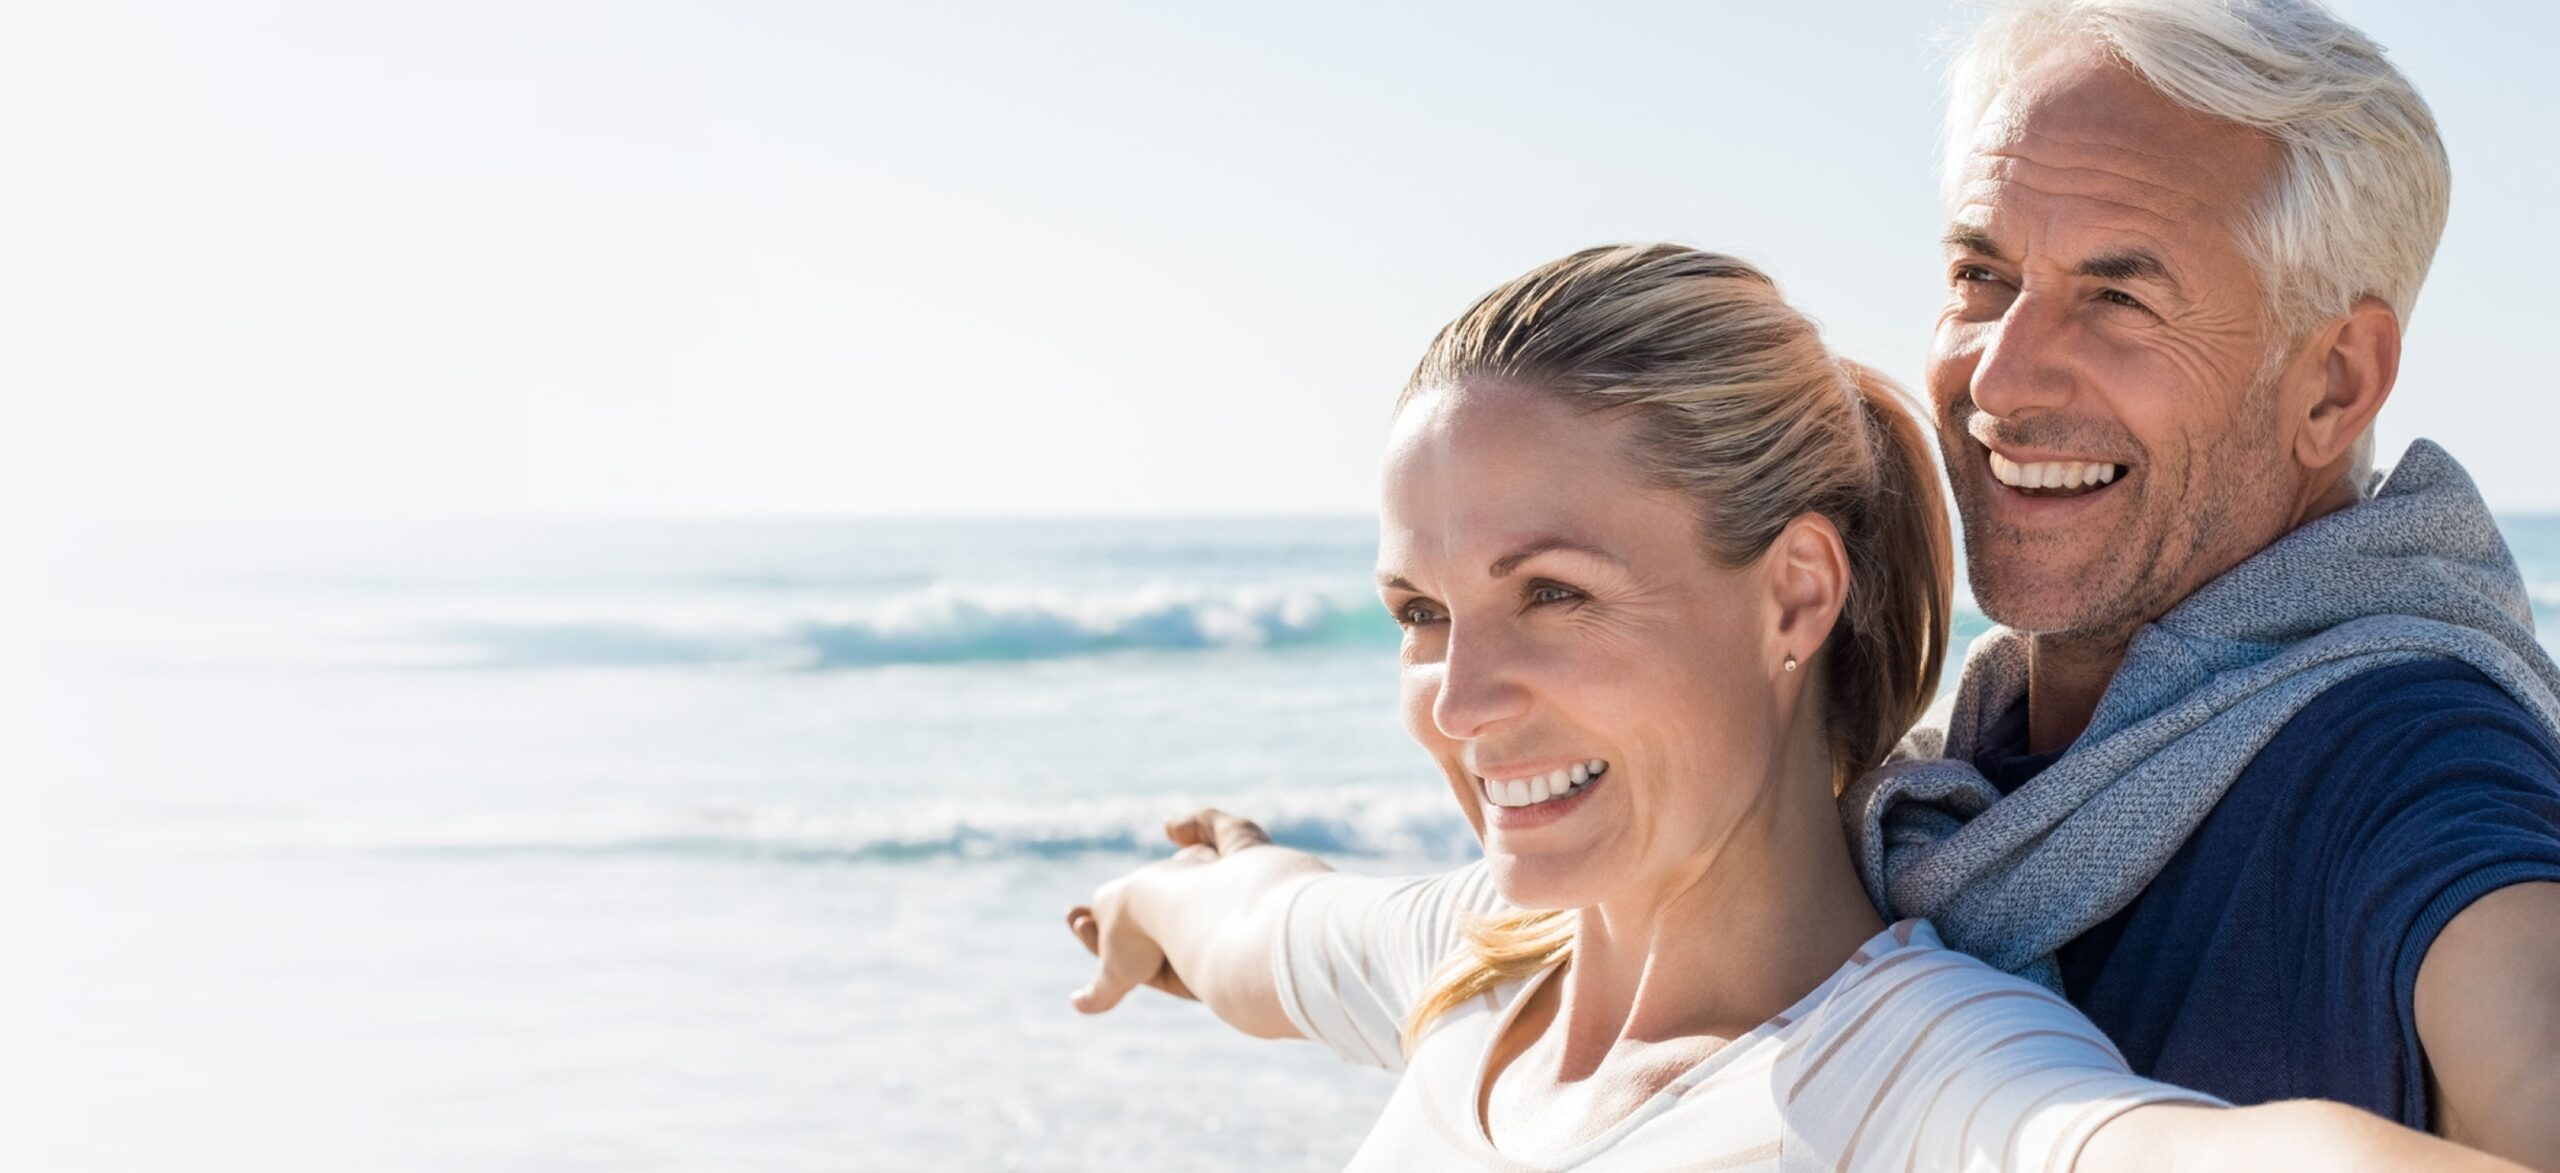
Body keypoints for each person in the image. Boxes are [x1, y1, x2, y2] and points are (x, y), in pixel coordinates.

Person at [1067, 244, 2516, 1170]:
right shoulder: (1480, 961)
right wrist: (1159, 900)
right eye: (1421, 613)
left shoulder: (1920, 1077)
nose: (1458, 699)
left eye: (1555, 594)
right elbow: (1259, 922)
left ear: (1795, 596)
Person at [1838, 1, 2560, 1165]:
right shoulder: (1963, 769)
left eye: (2118, 299)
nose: (2001, 380)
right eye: (1982, 274)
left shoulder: (2406, 757)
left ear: (2332, 382)